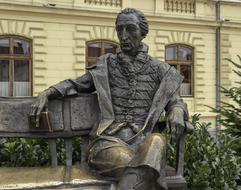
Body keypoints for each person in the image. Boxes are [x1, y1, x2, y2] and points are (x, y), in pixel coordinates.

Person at [30, 8, 189, 190]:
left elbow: (175, 100)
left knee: (157, 140)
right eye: (120, 29)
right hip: (108, 142)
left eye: (130, 29)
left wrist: (177, 110)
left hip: (143, 140)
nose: (124, 35)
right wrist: (48, 92)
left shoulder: (160, 69)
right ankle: (147, 176)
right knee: (144, 167)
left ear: (143, 32)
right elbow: (76, 84)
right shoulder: (106, 64)